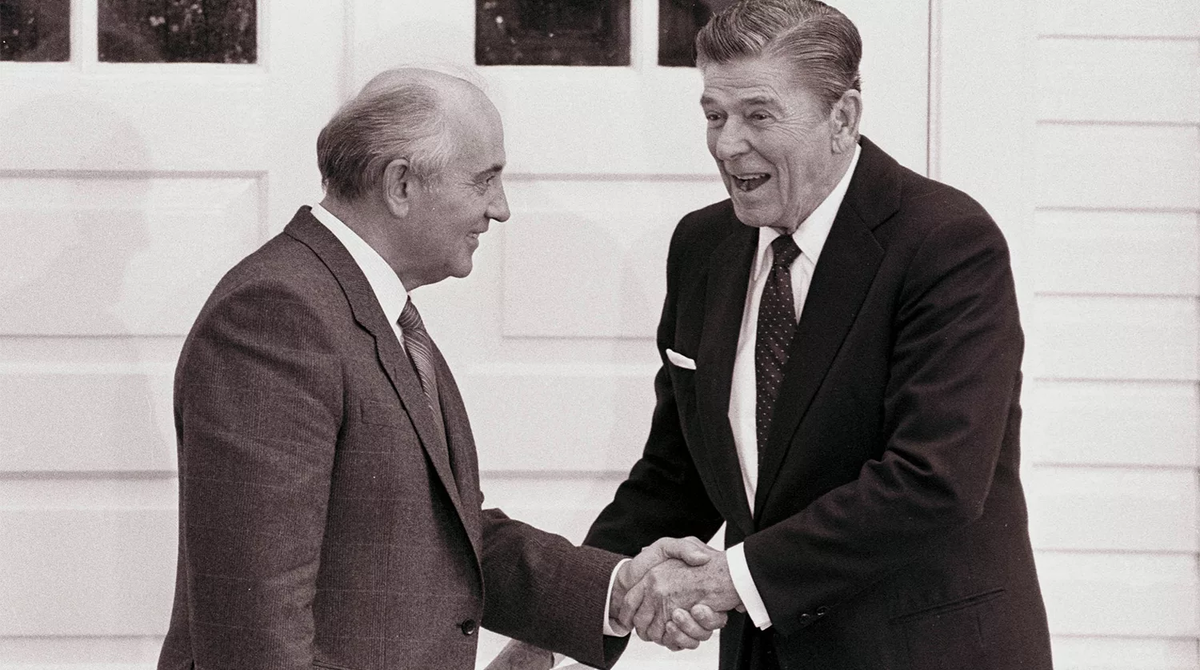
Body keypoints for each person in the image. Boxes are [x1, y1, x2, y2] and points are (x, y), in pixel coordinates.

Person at [499, 0, 1054, 668]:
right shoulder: (703, 246)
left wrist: (726, 581)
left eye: (758, 115)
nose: (727, 143)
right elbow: (678, 476)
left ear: (841, 118)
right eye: (714, 115)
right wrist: (557, 630)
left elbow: (933, 480)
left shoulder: (946, 244)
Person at [156, 67, 725, 670]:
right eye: (485, 180)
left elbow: (446, 536)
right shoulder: (276, 316)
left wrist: (614, 589)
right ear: (401, 184)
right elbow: (254, 635)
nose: (500, 209)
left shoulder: (371, 311)